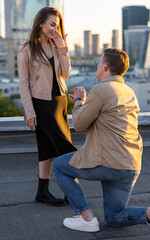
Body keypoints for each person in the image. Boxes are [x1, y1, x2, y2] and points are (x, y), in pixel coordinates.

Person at [53, 48, 150, 239]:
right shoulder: (129, 91)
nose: (96, 65)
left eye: (99, 61)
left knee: (59, 166)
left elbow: (78, 124)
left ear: (105, 66)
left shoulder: (101, 89)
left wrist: (78, 101)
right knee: (114, 216)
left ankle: (86, 218)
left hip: (108, 162)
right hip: (130, 165)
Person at [18, 7, 77, 206]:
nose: (55, 29)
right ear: (41, 23)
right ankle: (73, 190)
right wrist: (29, 110)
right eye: (52, 24)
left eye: (57, 26)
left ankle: (42, 192)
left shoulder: (57, 44)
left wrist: (62, 47)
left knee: (46, 148)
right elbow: (23, 83)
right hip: (41, 104)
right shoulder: (26, 48)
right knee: (66, 149)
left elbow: (66, 73)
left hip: (59, 101)